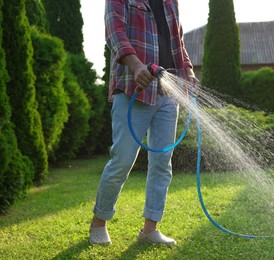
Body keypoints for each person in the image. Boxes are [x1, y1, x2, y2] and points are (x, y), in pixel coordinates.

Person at [89, 0, 198, 246]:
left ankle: (150, 229)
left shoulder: (171, 2)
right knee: (123, 160)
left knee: (162, 163)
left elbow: (177, 41)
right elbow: (115, 33)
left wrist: (188, 71)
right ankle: (99, 222)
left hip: (169, 94)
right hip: (133, 90)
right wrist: (136, 66)